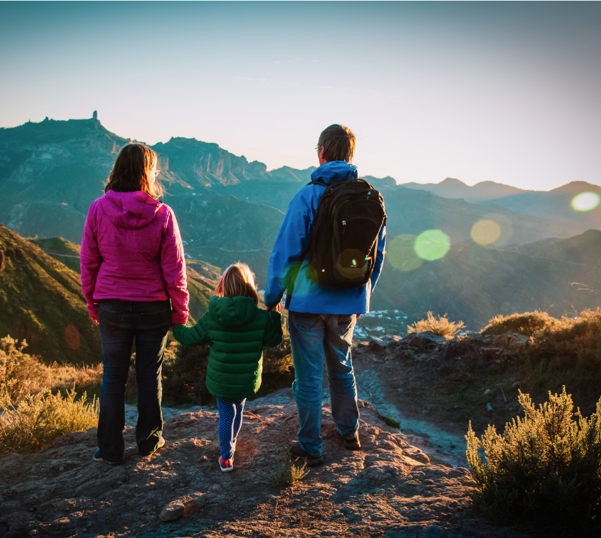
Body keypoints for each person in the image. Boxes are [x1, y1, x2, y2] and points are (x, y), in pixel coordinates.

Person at [264, 124, 387, 467]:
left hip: (306, 302)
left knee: (308, 376)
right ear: (351, 155)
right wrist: (363, 295)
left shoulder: (308, 195)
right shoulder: (369, 197)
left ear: (321, 152)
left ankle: (310, 446)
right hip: (348, 301)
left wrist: (272, 295)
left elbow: (285, 252)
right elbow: (376, 255)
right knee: (342, 367)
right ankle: (349, 433)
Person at [80, 142, 189, 465]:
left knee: (113, 376)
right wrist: (180, 311)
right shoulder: (163, 213)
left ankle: (110, 449)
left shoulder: (98, 209)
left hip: (112, 304)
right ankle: (148, 441)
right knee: (148, 375)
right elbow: (175, 269)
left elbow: (88, 262)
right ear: (147, 172)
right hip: (153, 307)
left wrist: (92, 303)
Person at [173, 263, 283, 472]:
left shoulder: (213, 316)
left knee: (226, 414)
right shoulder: (260, 316)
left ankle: (226, 457)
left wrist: (174, 325)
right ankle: (231, 444)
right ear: (249, 286)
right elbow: (273, 340)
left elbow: (189, 337)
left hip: (221, 381)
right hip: (245, 380)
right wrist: (274, 315)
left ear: (223, 286)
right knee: (238, 409)